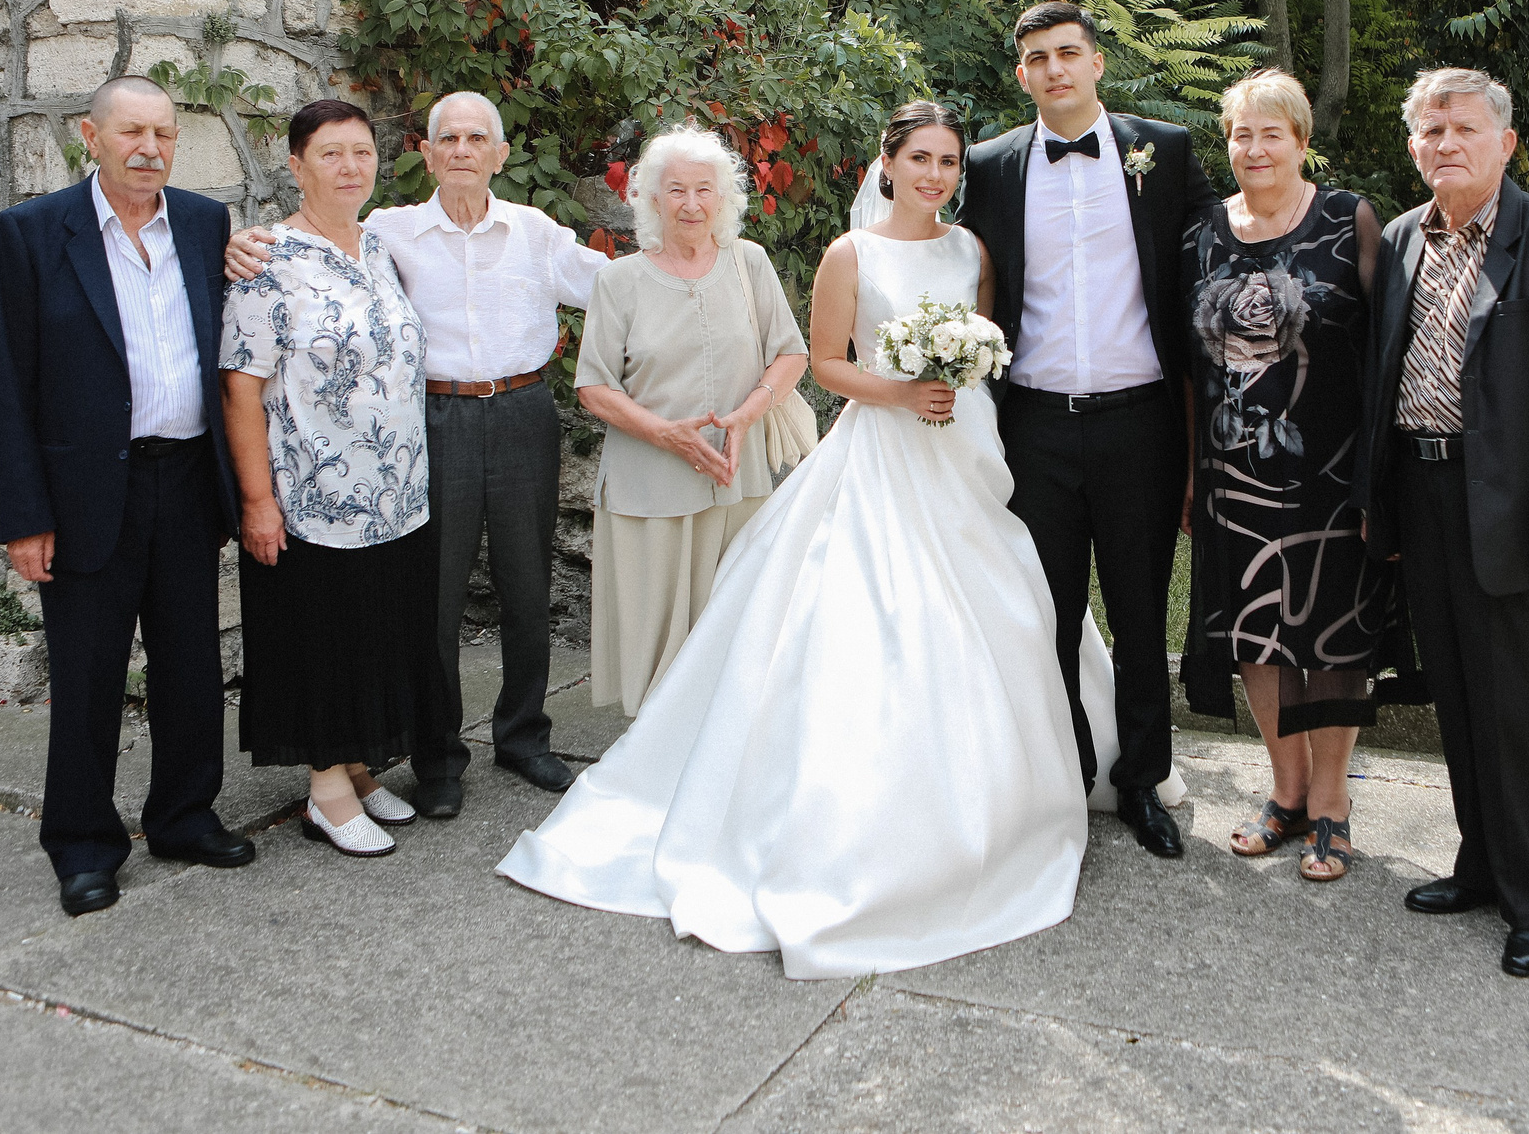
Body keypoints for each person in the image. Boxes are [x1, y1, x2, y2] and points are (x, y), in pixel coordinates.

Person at [499, 102, 1167, 978]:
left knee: (1010, 599)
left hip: (964, 450)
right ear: (886, 164)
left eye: (947, 161)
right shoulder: (850, 255)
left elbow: (989, 344)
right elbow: (823, 365)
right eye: (918, 158)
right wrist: (901, 391)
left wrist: (957, 375)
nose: (934, 174)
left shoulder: (972, 251)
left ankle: (1035, 787)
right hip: (881, 449)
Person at [226, 91, 605, 814]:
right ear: (426, 155)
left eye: (477, 137)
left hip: (524, 412)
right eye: (447, 138)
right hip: (435, 419)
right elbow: (303, 245)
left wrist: (704, 253)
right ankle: (437, 756)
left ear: (500, 153)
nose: (462, 149)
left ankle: (525, 735)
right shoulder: (385, 232)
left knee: (529, 589)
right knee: (434, 598)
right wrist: (235, 242)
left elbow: (618, 288)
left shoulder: (535, 232)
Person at [1353, 67, 1529, 980]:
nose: (1445, 144)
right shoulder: (1398, 240)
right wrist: (1377, 505)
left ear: (1506, 143)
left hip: (1516, 507)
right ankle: (1480, 863)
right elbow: (1380, 378)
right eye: (1430, 131)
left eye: (1463, 129)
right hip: (1423, 498)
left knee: (1525, 711)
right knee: (1460, 696)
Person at [0, 74, 256, 918]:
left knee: (191, 664)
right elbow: (9, 382)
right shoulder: (32, 234)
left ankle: (182, 814)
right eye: (134, 131)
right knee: (90, 672)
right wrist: (25, 514)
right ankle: (83, 843)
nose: (151, 148)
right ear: (90, 135)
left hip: (184, 477)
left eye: (166, 134)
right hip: (84, 490)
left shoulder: (207, 224)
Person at [957, 0, 1220, 859]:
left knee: (1141, 611)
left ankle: (1142, 782)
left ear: (1098, 62)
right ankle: (1062, 778)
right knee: (1048, 611)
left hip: (1141, 420)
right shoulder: (992, 165)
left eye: (1068, 52)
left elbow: (1218, 266)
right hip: (1031, 422)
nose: (1054, 69)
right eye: (1037, 57)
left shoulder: (1165, 151)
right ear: (1022, 74)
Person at [1182, 69, 1419, 883]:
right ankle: (1283, 795)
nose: (1254, 149)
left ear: (1301, 140)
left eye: (1270, 133)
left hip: (1331, 466)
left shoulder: (1345, 217)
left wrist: (1381, 471)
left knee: (1331, 634)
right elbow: (1186, 365)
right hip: (1231, 467)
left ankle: (1332, 804)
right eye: (1241, 134)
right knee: (1254, 628)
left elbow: (1392, 345)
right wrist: (1188, 469)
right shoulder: (1205, 230)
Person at [221, 99, 458, 859]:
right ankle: (324, 787)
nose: (350, 166)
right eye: (331, 153)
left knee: (380, 631)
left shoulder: (379, 243)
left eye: (361, 151)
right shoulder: (267, 263)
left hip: (396, 492)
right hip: (313, 494)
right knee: (324, 635)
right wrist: (257, 500)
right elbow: (241, 388)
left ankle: (357, 765)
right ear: (296, 166)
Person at [572, 124, 808, 715]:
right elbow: (593, 386)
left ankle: (719, 762)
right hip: (648, 484)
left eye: (705, 189)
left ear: (724, 197)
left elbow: (791, 353)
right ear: (651, 199)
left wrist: (746, 415)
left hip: (736, 479)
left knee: (732, 633)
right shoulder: (618, 281)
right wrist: (665, 434)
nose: (692, 203)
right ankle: (652, 759)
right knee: (656, 639)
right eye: (676, 190)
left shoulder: (748, 264)